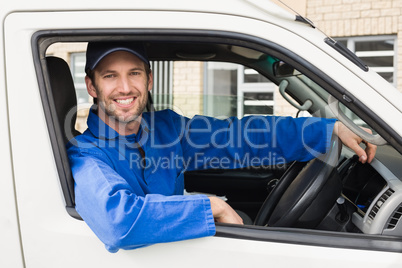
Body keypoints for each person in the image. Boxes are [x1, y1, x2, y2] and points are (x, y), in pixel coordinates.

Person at [66, 41, 377, 253]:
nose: (124, 87)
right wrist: (211, 206)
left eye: (134, 73)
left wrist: (327, 130)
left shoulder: (166, 129)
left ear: (149, 79)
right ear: (92, 86)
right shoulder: (86, 153)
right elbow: (119, 221)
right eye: (110, 76)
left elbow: (240, 136)